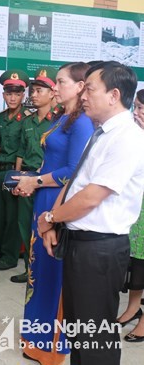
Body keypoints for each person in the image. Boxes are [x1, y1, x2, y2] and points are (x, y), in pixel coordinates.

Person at [38, 61, 144, 364]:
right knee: (79, 332)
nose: (83, 95)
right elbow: (75, 182)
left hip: (100, 250)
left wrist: (48, 218)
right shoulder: (102, 133)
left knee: (95, 338)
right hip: (79, 243)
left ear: (113, 95)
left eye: (90, 89)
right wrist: (54, 223)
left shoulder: (128, 138)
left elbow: (91, 197)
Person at [14, 62, 94, 364]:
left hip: (57, 203)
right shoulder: (64, 118)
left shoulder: (82, 122)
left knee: (53, 274)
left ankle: (53, 347)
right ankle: (35, 340)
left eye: (60, 82)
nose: (55, 88)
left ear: (80, 86)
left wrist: (33, 181)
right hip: (43, 197)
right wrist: (30, 181)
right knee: (39, 272)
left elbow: (74, 171)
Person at [10, 67, 59, 283]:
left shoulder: (58, 121)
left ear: (52, 93)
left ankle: (44, 269)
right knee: (24, 225)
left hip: (47, 183)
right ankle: (28, 268)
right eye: (33, 90)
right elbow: (20, 152)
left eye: (40, 90)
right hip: (26, 179)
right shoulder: (27, 122)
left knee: (45, 226)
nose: (34, 94)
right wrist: (17, 178)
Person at [0, 69, 30, 270]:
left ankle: (10, 256)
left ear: (23, 95)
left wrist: (18, 177)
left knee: (13, 217)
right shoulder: (0, 117)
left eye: (17, 94)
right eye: (9, 93)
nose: (12, 98)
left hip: (15, 171)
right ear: (3, 94)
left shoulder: (28, 120)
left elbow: (23, 148)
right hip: (0, 171)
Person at [116, 89, 144, 343]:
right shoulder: (131, 136)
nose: (137, 113)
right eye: (135, 107)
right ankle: (133, 308)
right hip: (135, 215)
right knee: (135, 266)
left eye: (142, 109)